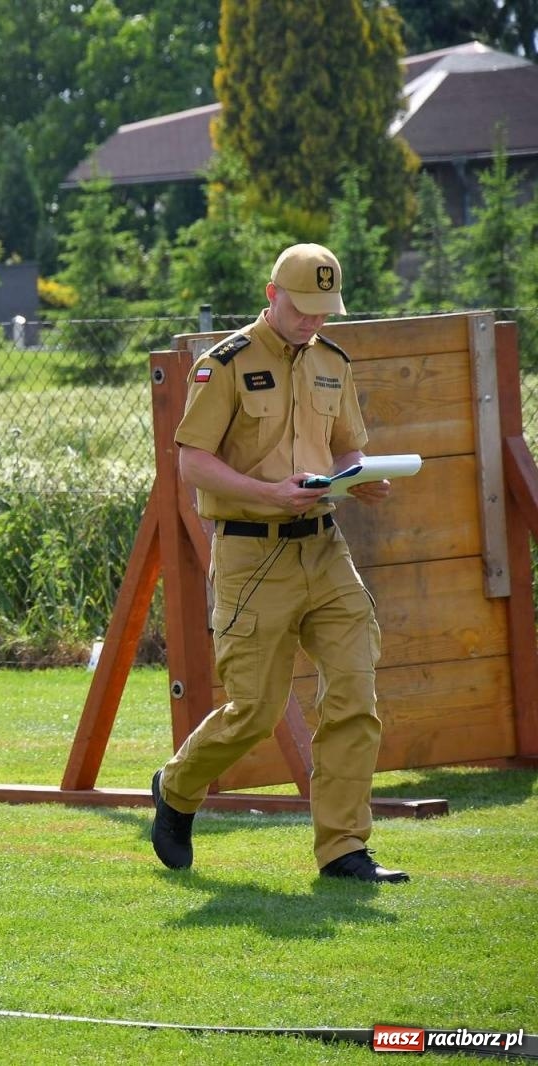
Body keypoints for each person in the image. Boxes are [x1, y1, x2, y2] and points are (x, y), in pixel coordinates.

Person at [151, 243, 408, 883]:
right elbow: (192, 462)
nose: (313, 321)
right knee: (256, 712)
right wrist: (269, 494)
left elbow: (345, 449)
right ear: (272, 295)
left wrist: (361, 479)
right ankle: (177, 788)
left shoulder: (332, 362)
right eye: (302, 308)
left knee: (355, 693)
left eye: (324, 310)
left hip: (325, 547)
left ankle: (343, 849)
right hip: (252, 555)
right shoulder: (225, 364)